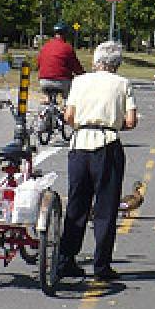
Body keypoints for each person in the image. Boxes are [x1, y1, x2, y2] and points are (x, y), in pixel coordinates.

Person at [56, 41, 138, 282]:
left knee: (76, 206)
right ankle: (101, 266)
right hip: (107, 144)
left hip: (79, 144)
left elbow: (69, 116)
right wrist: (112, 122)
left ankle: (66, 260)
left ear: (96, 61)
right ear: (117, 64)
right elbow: (131, 121)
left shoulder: (80, 81)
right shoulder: (122, 84)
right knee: (105, 209)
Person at [36, 22, 85, 100]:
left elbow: (38, 64)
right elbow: (76, 67)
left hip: (44, 81)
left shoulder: (45, 46)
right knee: (69, 98)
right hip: (62, 82)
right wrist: (83, 75)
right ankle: (66, 107)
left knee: (49, 97)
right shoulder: (67, 48)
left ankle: (47, 104)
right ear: (66, 34)